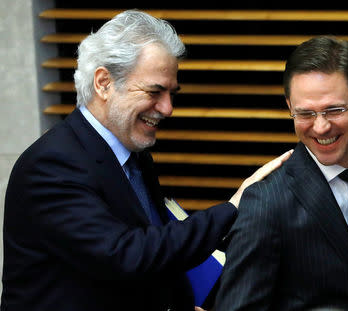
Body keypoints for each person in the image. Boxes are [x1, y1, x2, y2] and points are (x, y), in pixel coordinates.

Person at [1, 10, 292, 311]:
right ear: (104, 82)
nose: (167, 108)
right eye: (155, 91)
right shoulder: (51, 165)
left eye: (171, 93)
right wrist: (233, 208)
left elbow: (157, 255)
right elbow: (127, 254)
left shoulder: (134, 157)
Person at [215, 36, 348, 310]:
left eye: (334, 110)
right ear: (290, 107)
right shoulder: (266, 201)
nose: (321, 127)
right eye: (305, 114)